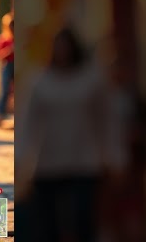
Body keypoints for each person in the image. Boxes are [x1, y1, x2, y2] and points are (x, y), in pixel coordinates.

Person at [16, 27, 124, 242]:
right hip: (47, 163)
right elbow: (29, 124)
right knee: (48, 226)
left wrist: (115, 157)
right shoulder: (40, 82)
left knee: (84, 222)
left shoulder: (91, 80)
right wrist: (21, 161)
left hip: (85, 161)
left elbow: (106, 120)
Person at [0, 12, 14, 122]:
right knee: (5, 90)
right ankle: (0, 114)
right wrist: (10, 50)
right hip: (7, 65)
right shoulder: (3, 39)